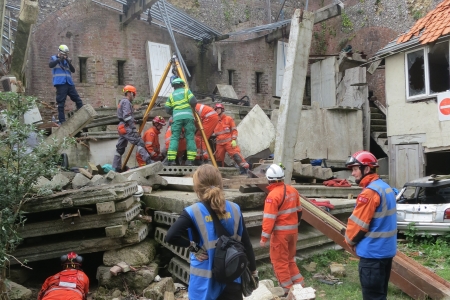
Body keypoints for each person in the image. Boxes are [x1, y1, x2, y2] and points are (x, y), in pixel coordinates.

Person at [165, 164, 258, 300]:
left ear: (197, 187)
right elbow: (247, 244)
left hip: (205, 285)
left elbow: (171, 236)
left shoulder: (193, 212)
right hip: (232, 279)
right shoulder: (235, 209)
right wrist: (253, 271)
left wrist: (194, 248)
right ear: (220, 183)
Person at [344, 151, 397, 300]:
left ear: (366, 169)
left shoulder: (369, 194)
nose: (353, 173)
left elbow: (358, 225)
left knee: (372, 297)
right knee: (380, 295)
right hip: (386, 252)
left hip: (372, 255)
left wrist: (349, 241)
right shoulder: (385, 187)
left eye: (355, 169)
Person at [260, 163, 304, 295]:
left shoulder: (272, 196)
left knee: (279, 262)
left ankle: (287, 291)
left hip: (280, 235)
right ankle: (299, 285)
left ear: (269, 179)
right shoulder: (293, 191)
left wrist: (263, 238)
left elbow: (269, 219)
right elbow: (299, 211)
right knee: (290, 259)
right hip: (293, 232)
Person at [112, 85, 147, 172]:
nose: (134, 96)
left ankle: (116, 168)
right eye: (133, 94)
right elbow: (127, 116)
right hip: (126, 127)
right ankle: (149, 161)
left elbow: (126, 117)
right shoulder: (126, 102)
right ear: (130, 93)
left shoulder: (121, 102)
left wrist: (136, 121)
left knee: (120, 149)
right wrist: (134, 128)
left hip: (121, 127)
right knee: (139, 142)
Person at [164, 78, 197, 166]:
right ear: (182, 84)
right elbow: (193, 101)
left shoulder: (171, 95)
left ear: (174, 86)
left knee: (174, 138)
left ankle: (172, 161)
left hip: (177, 118)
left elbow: (167, 109)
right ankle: (190, 161)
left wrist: (175, 112)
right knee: (190, 137)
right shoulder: (186, 91)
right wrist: (191, 108)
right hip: (188, 117)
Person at [48, 45, 83, 124]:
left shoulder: (66, 60)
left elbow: (73, 70)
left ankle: (82, 116)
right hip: (60, 84)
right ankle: (62, 121)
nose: (65, 56)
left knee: (78, 100)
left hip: (69, 83)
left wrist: (68, 62)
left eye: (66, 54)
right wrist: (59, 59)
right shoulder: (53, 58)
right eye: (64, 54)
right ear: (60, 52)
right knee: (61, 103)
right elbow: (50, 65)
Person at [213, 103, 249, 172]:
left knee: (236, 156)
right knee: (219, 160)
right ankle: (221, 173)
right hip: (219, 144)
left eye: (218, 109)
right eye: (216, 109)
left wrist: (234, 140)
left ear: (222, 109)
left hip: (229, 142)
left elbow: (234, 130)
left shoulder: (228, 119)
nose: (217, 110)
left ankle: (245, 170)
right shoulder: (215, 121)